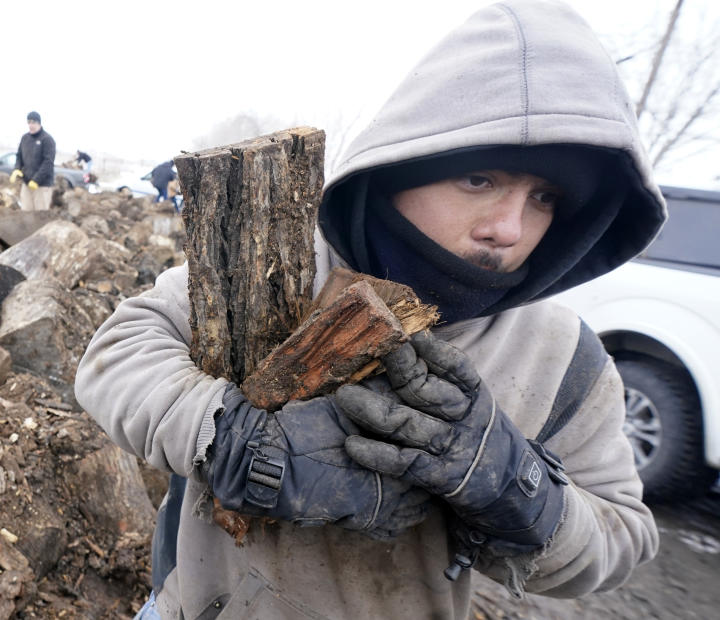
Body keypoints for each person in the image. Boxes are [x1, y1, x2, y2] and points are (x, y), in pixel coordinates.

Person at [74, 1, 663, 618]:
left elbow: (624, 535)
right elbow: (119, 351)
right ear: (405, 165)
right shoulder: (280, 262)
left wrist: (517, 491)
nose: (510, 229)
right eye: (480, 180)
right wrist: (236, 441)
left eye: (543, 197)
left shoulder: (562, 356)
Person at [10, 111, 56, 210]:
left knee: (40, 216)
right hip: (26, 184)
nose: (31, 125)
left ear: (39, 123)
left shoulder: (47, 139)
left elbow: (48, 162)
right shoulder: (25, 138)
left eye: (33, 122)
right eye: (29, 122)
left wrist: (36, 180)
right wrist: (17, 168)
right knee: (26, 215)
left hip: (42, 186)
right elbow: (19, 155)